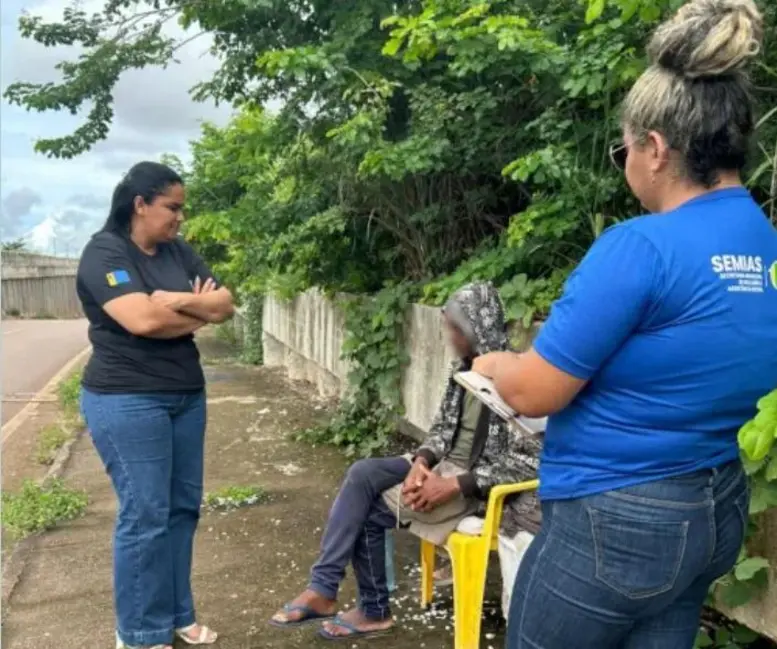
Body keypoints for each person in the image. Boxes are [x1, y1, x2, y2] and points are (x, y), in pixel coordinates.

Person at [471, 1, 777, 648]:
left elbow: (531, 391)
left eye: (624, 151)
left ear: (656, 148)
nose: (626, 164)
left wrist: (491, 363)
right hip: (713, 508)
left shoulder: (641, 246)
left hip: (616, 518)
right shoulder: (765, 243)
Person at [269, 282, 541, 640]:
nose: (448, 336)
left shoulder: (518, 378)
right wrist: (422, 462)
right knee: (363, 473)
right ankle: (324, 586)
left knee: (367, 514)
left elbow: (532, 459)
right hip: (443, 467)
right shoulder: (463, 370)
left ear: (476, 327)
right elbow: (442, 429)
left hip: (474, 487)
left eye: (454, 328)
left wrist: (454, 485)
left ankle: (371, 611)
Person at [77, 161, 235, 649]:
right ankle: (141, 633)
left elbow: (225, 304)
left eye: (182, 209)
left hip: (186, 396)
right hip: (127, 398)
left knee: (182, 509)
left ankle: (178, 614)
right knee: (145, 515)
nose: (180, 218)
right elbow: (142, 322)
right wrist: (196, 310)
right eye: (173, 207)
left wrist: (171, 299)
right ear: (140, 204)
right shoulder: (105, 251)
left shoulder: (177, 251)